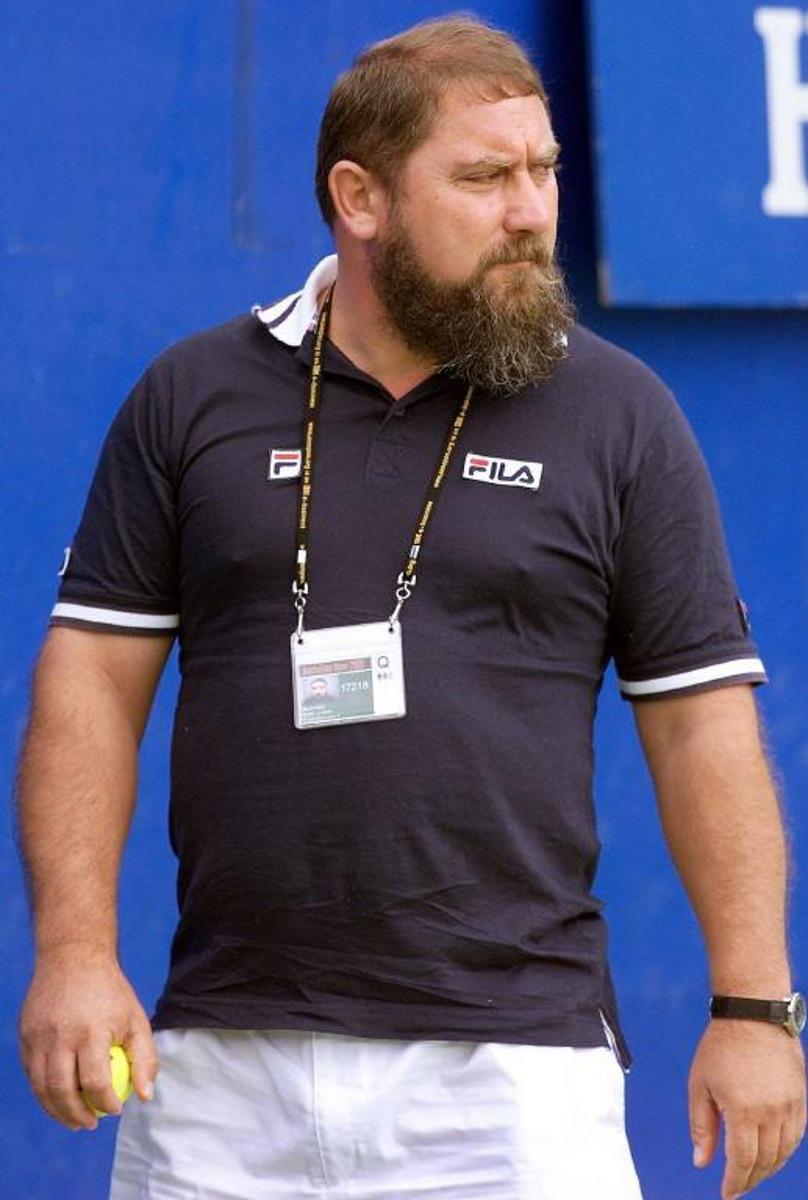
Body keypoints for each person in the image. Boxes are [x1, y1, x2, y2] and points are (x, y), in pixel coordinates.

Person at [15, 15, 806, 1200]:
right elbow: (89, 680)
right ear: (360, 198)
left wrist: (753, 1008)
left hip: (512, 1084)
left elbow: (700, 724)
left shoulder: (620, 414)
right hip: (220, 1072)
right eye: (484, 178)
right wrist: (75, 954)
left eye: (542, 170)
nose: (529, 211)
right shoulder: (193, 395)